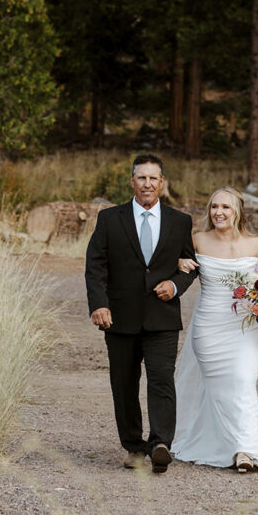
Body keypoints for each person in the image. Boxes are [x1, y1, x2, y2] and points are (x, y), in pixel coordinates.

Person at [85, 154, 198, 473]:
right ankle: (133, 447)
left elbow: (190, 266)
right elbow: (95, 265)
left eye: (153, 178)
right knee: (124, 383)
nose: (147, 183)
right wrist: (99, 304)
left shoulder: (180, 221)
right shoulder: (109, 219)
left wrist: (175, 286)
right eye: (141, 178)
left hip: (162, 316)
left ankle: (161, 443)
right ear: (132, 182)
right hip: (119, 316)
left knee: (162, 380)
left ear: (162, 183)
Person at [172, 186, 258, 472]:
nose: (219, 213)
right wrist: (178, 260)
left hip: (245, 326)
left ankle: (245, 449)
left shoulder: (255, 244)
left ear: (237, 212)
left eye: (225, 207)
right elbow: (169, 263)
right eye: (214, 207)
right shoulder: (197, 240)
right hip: (208, 326)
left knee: (243, 380)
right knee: (219, 389)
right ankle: (226, 443)